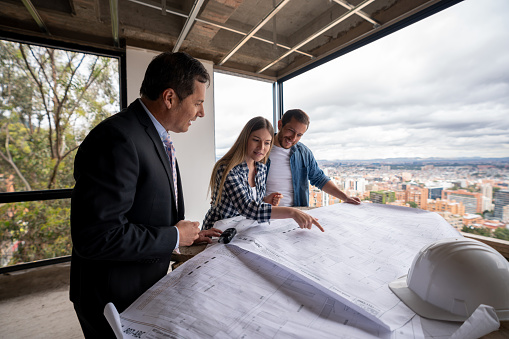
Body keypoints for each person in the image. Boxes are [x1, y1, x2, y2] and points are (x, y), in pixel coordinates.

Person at [70, 52, 221, 338]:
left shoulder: (156, 136)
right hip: (112, 301)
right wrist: (173, 237)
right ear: (169, 98)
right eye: (198, 102)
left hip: (140, 291)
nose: (201, 112)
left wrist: (182, 235)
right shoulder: (117, 138)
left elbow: (142, 210)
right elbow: (96, 237)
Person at [202, 116, 324, 232]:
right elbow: (247, 208)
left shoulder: (260, 168)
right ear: (245, 139)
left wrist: (266, 200)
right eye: (256, 140)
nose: (261, 148)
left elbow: (253, 202)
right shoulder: (227, 169)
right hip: (217, 232)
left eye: (267, 143)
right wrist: (293, 212)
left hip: (242, 229)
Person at [265, 109, 361, 207]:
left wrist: (345, 197)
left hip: (297, 214)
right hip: (265, 214)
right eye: (291, 131)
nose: (293, 138)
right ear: (280, 125)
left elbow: (319, 179)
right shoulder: (261, 150)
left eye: (299, 135)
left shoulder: (304, 152)